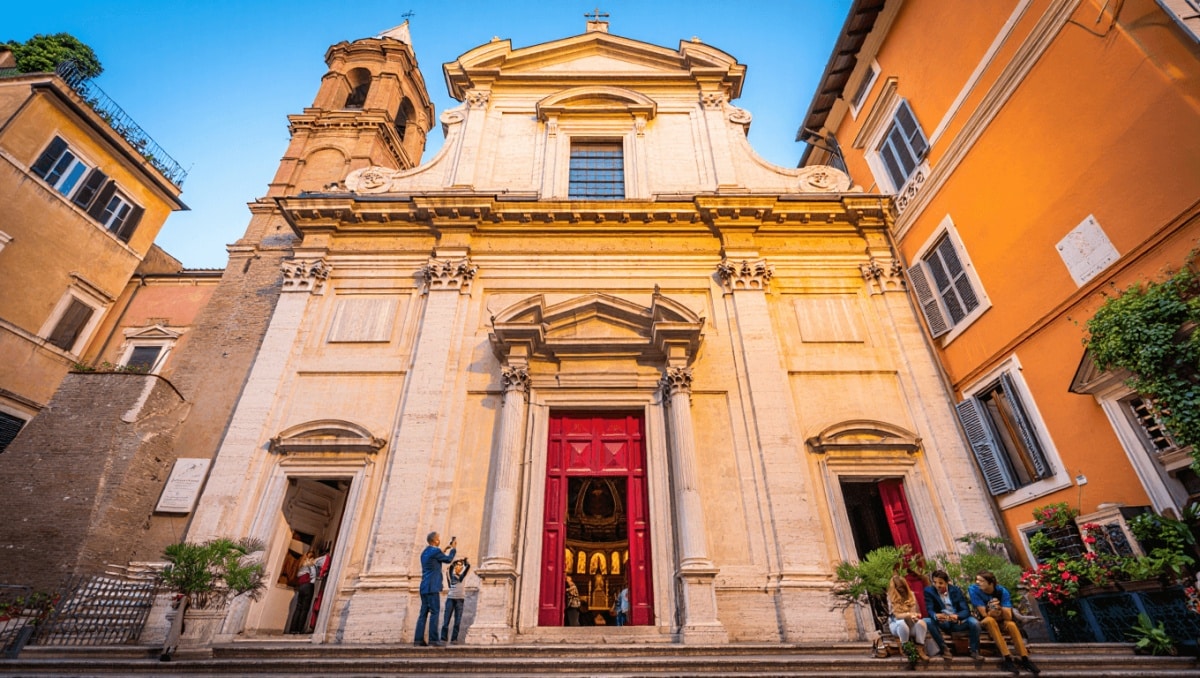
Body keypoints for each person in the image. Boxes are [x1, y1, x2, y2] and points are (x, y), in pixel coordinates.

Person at [968, 570, 1040, 675]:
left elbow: (1008, 616)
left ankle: (1024, 658)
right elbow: (984, 614)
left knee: (1011, 624)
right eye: (977, 580)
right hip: (985, 620)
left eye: (981, 581)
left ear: (991, 583)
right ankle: (1007, 658)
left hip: (1001, 619)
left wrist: (999, 607)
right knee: (990, 620)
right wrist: (992, 611)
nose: (978, 583)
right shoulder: (973, 589)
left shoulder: (1002, 591)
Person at [924, 569, 980, 661]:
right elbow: (929, 609)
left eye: (940, 583)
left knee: (975, 623)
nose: (937, 585)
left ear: (947, 582)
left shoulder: (956, 590)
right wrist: (935, 615)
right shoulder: (929, 591)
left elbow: (965, 610)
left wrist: (957, 616)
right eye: (935, 582)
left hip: (957, 621)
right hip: (942, 622)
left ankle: (974, 650)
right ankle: (944, 649)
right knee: (927, 621)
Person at [414, 531, 455, 647]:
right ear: (435, 540)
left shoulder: (424, 552)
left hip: (424, 587)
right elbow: (448, 560)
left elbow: (434, 558)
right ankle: (433, 639)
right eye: (438, 538)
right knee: (435, 612)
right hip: (432, 586)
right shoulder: (435, 551)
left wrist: (445, 549)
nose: (439, 540)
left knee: (423, 613)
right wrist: (453, 549)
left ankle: (418, 639)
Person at [886, 574, 930, 662]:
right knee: (902, 624)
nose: (901, 589)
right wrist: (909, 615)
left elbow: (915, 612)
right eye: (898, 587)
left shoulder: (911, 595)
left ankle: (920, 648)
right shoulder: (891, 597)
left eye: (902, 587)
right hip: (896, 625)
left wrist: (915, 617)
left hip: (910, 623)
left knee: (922, 623)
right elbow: (897, 616)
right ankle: (906, 647)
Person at [441, 557, 471, 643]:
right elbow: (450, 567)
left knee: (457, 621)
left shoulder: (462, 576)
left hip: (460, 600)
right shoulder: (451, 575)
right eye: (457, 565)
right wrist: (455, 561)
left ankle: (454, 639)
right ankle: (443, 638)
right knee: (446, 620)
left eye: (460, 566)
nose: (458, 567)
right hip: (450, 599)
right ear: (454, 567)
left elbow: (468, 566)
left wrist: (465, 561)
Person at [286, 550, 317, 634]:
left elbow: (298, 576)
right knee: (305, 609)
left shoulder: (301, 565)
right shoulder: (311, 565)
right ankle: (299, 630)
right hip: (308, 586)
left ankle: (293, 629)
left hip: (301, 587)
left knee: (298, 608)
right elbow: (313, 577)